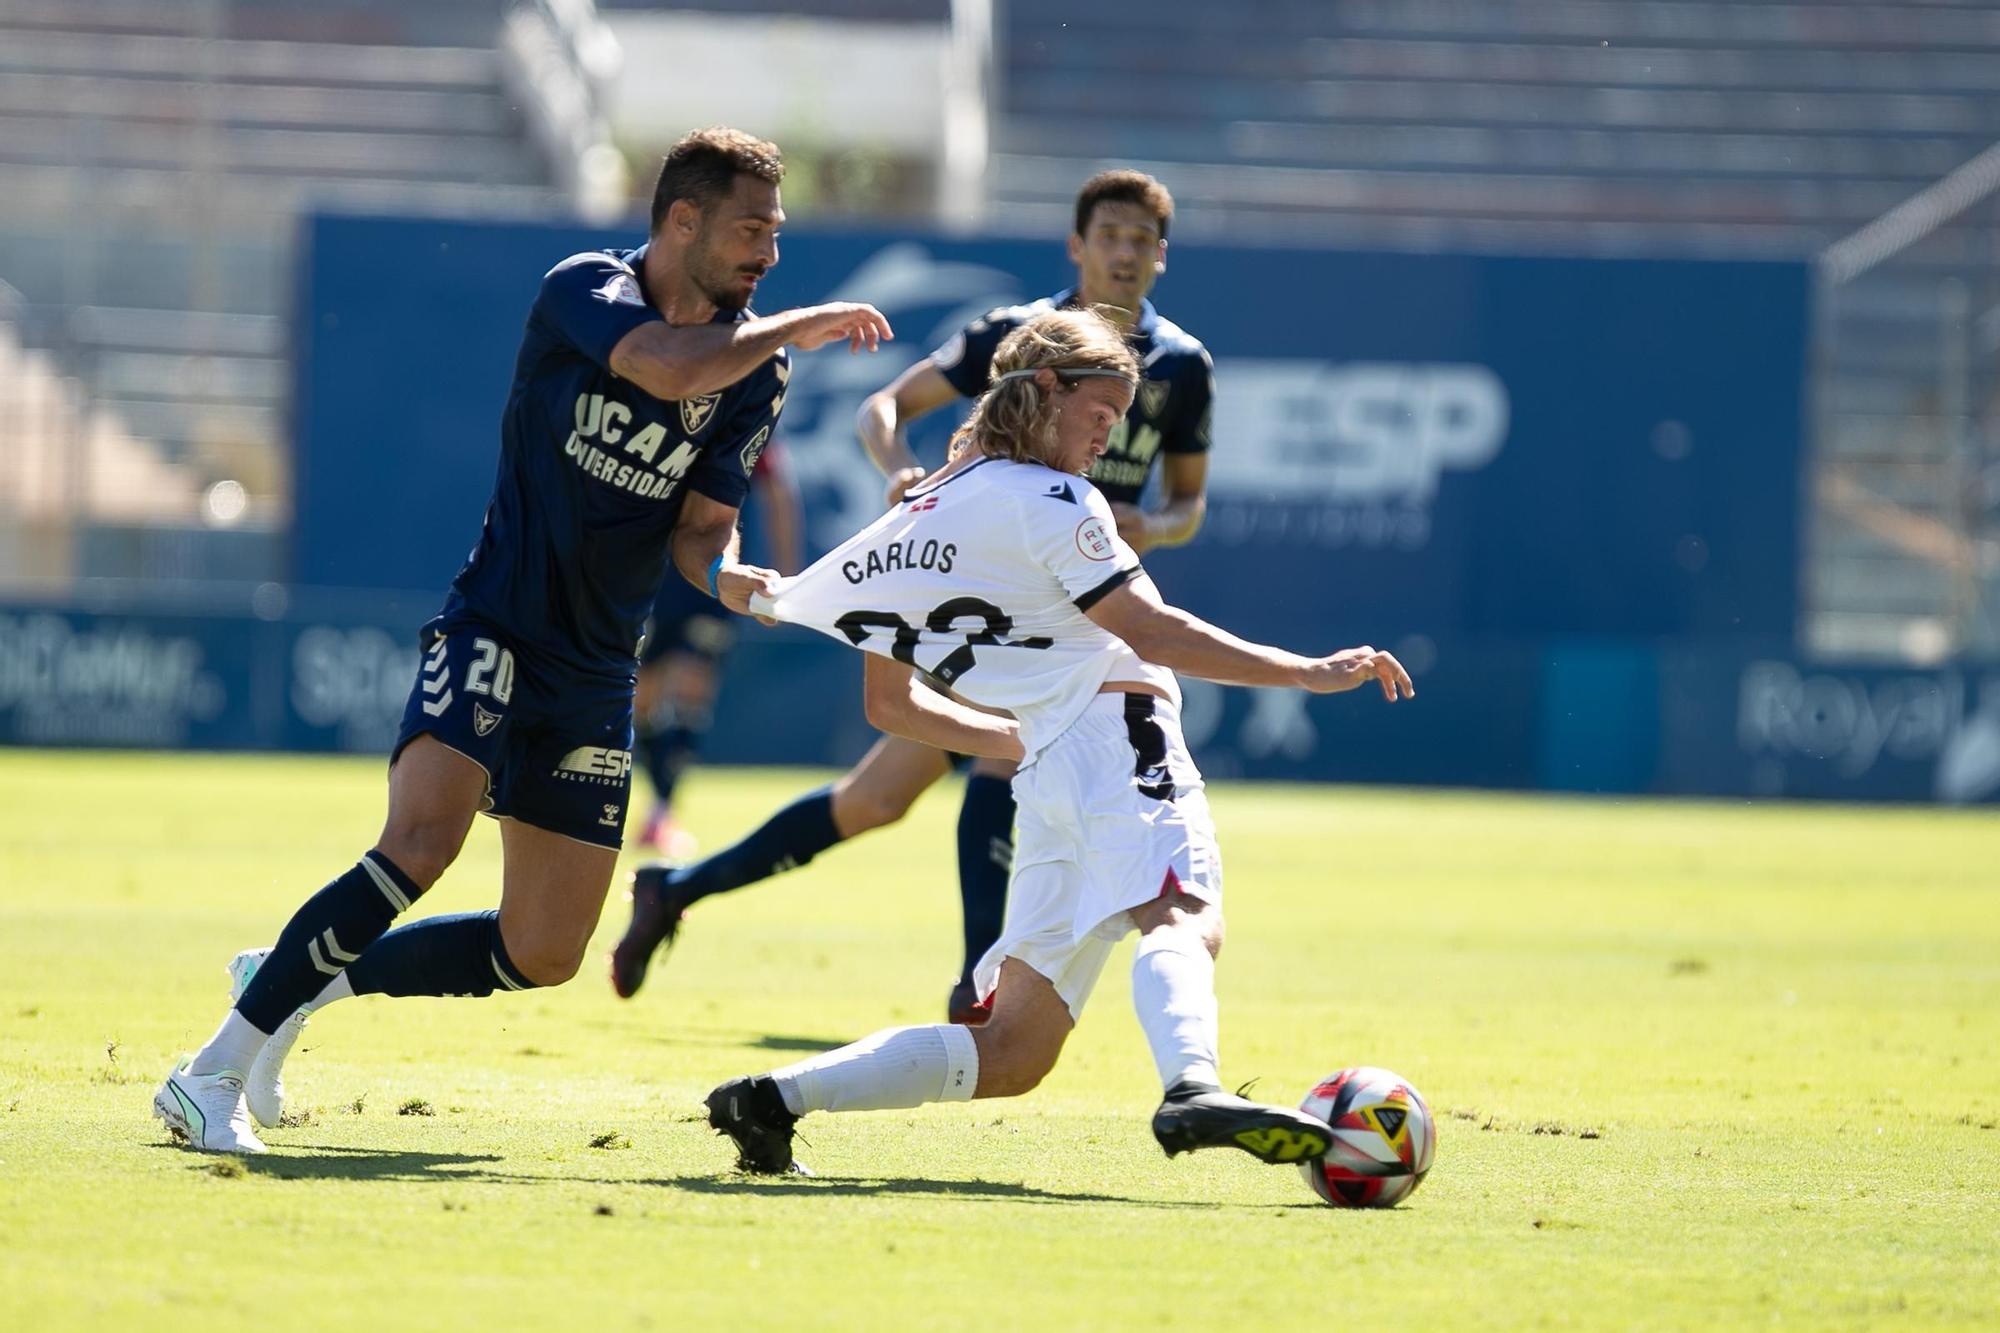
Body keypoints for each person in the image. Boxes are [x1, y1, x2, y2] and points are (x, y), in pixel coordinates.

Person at [152, 126, 895, 1153]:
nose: (769, 252)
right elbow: (666, 370)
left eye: (776, 231)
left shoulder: (754, 376)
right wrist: (798, 326)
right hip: (497, 619)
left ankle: (294, 980)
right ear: (681, 220)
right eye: (750, 228)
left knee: (543, 950)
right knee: (420, 844)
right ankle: (209, 1074)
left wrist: (738, 580)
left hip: (596, 668)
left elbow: (697, 528)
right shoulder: (584, 291)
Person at [701, 307, 1414, 1176]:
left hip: (1046, 771)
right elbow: (1148, 630)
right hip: (1120, 739)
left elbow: (891, 705)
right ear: (1043, 390)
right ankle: (1192, 1085)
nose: (1109, 438)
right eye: (1103, 413)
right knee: (1182, 913)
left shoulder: (916, 516)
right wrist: (1303, 671)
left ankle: (770, 1100)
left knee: (1011, 1052)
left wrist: (1019, 728)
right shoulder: (1056, 498)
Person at [612, 170, 1216, 1023]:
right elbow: (882, 409)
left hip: (1084, 587)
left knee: (873, 800)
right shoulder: (1018, 336)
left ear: (1161, 256)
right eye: (1107, 236)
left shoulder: (1182, 366)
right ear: (1077, 246)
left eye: (1140, 241)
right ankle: (976, 984)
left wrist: (1153, 523)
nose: (1123, 255)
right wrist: (900, 472)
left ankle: (675, 888)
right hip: (998, 585)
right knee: (1012, 752)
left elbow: (1190, 501)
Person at [630, 438, 804, 854]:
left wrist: (788, 574)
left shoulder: (740, 414)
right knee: (643, 696)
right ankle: (652, 802)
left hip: (713, 565)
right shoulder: (660, 406)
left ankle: (662, 810)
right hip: (650, 568)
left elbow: (778, 488)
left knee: (694, 684)